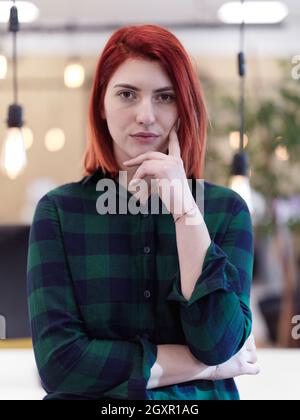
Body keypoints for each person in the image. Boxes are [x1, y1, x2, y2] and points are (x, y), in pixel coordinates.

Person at [27, 24, 259, 400]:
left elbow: (218, 341)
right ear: (101, 104)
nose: (146, 115)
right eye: (127, 94)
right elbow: (59, 365)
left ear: (184, 108)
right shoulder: (59, 211)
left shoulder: (225, 211)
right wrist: (208, 368)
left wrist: (185, 213)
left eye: (165, 97)